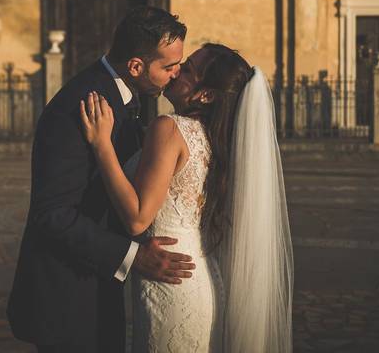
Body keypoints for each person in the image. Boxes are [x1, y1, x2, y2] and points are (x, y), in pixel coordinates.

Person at [80, 43, 293, 352]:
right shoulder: (218, 140)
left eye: (189, 70)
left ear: (205, 95)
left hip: (169, 280)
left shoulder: (170, 128)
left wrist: (102, 146)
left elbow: (138, 217)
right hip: (203, 280)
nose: (177, 71)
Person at [8, 6, 196, 352]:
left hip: (97, 280)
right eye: (169, 66)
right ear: (136, 66)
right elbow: (53, 214)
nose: (177, 74)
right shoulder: (80, 106)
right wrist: (132, 256)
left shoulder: (125, 95)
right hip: (67, 296)